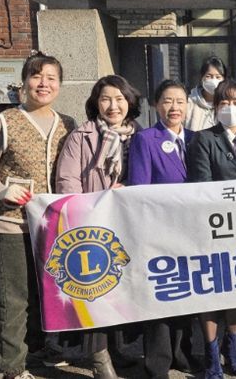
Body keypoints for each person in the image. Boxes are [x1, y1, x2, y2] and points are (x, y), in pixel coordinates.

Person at [0, 52, 76, 379]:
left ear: (60, 84)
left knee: (45, 293)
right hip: (12, 224)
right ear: (24, 82)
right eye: (36, 76)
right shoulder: (3, 122)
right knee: (15, 297)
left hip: (51, 225)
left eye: (51, 78)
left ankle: (40, 349)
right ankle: (12, 366)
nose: (43, 84)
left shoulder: (68, 124)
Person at [54, 75, 142, 379]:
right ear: (96, 103)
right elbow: (67, 182)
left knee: (121, 289)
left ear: (129, 101)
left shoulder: (140, 135)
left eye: (119, 98)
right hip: (92, 225)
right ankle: (98, 356)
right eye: (106, 99)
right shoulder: (81, 136)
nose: (113, 105)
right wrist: (95, 206)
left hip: (127, 223)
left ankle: (116, 349)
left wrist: (127, 189)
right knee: (96, 289)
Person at [186, 80, 236, 379]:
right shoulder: (204, 139)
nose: (231, 108)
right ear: (215, 108)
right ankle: (212, 356)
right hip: (214, 229)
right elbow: (201, 185)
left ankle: (233, 348)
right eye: (224, 103)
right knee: (212, 292)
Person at [128, 79, 199, 379]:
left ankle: (182, 352)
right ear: (156, 105)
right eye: (168, 101)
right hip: (158, 229)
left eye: (180, 101)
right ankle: (157, 361)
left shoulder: (196, 139)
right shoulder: (145, 139)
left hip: (190, 229)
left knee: (187, 292)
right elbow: (139, 189)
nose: (174, 107)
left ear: (188, 105)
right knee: (160, 292)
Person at [185, 56, 228, 131]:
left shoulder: (229, 104)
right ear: (202, 78)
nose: (213, 80)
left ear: (224, 79)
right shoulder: (189, 103)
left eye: (218, 77)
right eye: (209, 76)